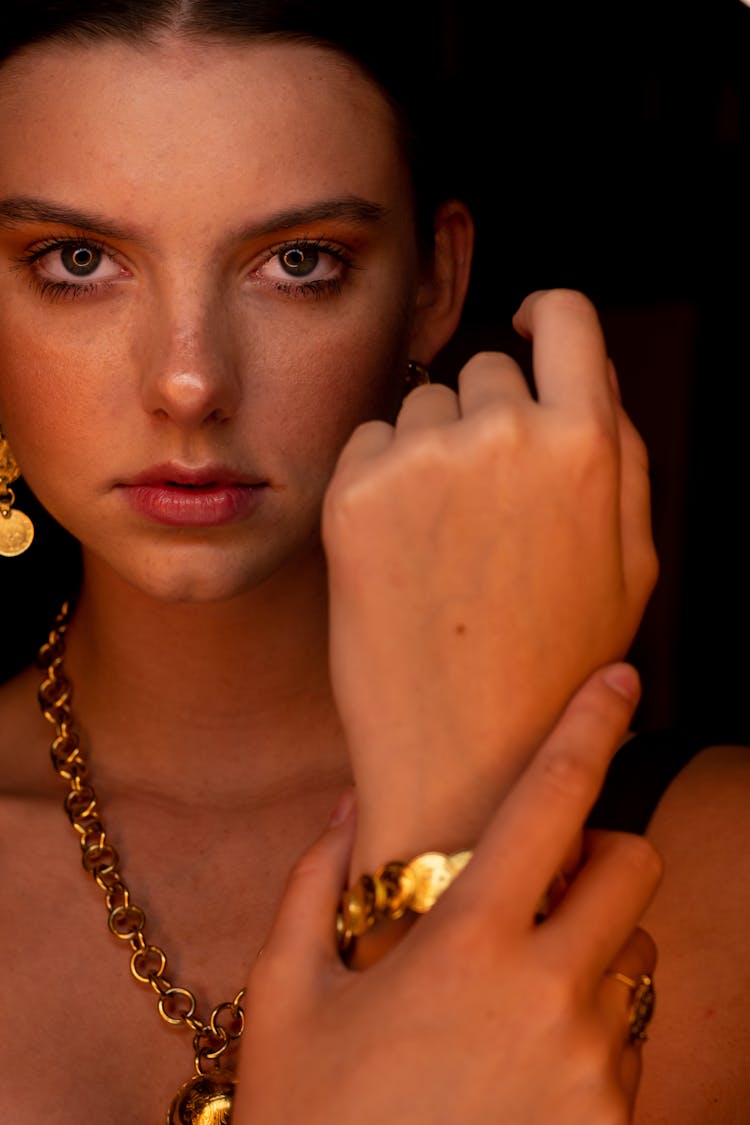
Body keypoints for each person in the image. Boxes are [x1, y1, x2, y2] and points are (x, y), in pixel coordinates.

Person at [0, 3, 746, 1122]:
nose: (189, 382)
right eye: (78, 260)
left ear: (434, 285)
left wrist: (453, 818)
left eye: (298, 262)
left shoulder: (718, 866)